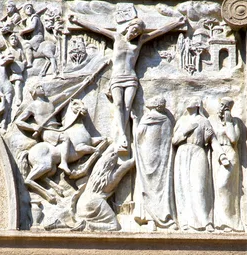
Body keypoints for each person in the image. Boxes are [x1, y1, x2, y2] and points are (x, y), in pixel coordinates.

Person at [69, 12, 185, 153]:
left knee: (127, 107)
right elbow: (97, 29)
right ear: (128, 27)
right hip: (117, 78)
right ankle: (123, 136)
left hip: (131, 78)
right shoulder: (117, 37)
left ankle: (122, 138)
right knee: (118, 105)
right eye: (133, 29)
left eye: (137, 32)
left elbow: (159, 31)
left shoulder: (140, 42)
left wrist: (177, 23)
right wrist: (78, 21)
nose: (134, 33)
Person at [172, 97, 222, 231]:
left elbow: (212, 140)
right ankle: (185, 221)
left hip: (198, 152)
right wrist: (185, 131)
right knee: (183, 187)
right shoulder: (182, 121)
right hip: (183, 153)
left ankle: (206, 221)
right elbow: (174, 141)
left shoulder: (204, 121)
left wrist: (221, 154)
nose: (188, 103)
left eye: (192, 101)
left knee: (199, 186)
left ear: (197, 105)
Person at [133, 96, 177, 229]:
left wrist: (135, 121)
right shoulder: (168, 120)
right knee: (161, 186)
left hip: (148, 155)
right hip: (163, 157)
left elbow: (138, 135)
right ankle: (164, 217)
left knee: (147, 185)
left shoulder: (147, 117)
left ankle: (151, 219)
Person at [210, 97, 243, 231]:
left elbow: (234, 139)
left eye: (226, 107)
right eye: (221, 105)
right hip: (217, 154)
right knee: (217, 188)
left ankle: (230, 222)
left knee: (224, 186)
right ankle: (220, 222)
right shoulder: (212, 120)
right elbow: (211, 138)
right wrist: (220, 154)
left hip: (230, 153)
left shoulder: (234, 122)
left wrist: (229, 122)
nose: (222, 108)